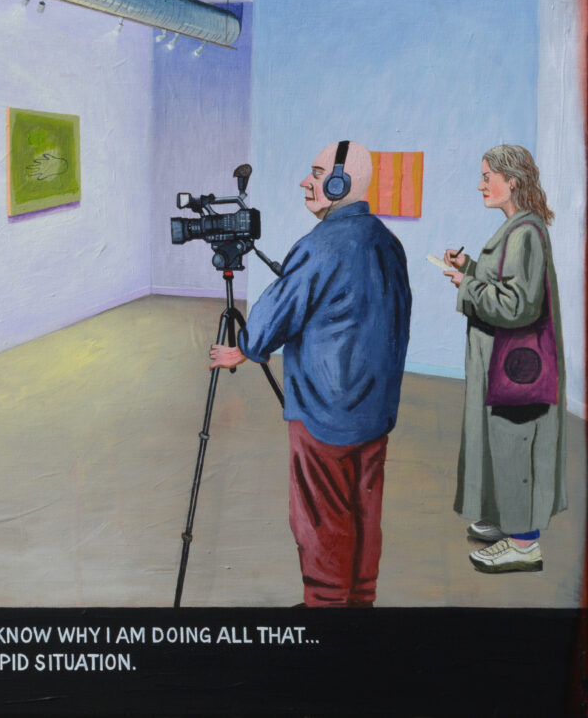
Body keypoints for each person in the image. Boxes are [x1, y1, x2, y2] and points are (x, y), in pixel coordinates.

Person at [210, 141, 411, 607]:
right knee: (364, 513)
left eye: (318, 174)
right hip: (375, 413)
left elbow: (272, 317)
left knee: (321, 520)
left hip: (324, 414)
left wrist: (243, 349)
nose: (306, 182)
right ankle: (359, 604)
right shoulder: (388, 242)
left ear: (340, 183)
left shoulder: (319, 245)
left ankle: (325, 611)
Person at [442, 144, 565, 573]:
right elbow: (508, 284)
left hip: (515, 367)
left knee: (515, 444)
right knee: (501, 442)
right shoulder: (518, 228)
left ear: (511, 181)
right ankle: (507, 522)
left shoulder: (524, 232)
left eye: (486, 176)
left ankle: (524, 543)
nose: (480, 185)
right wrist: (471, 268)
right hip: (504, 363)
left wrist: (465, 284)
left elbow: (517, 306)